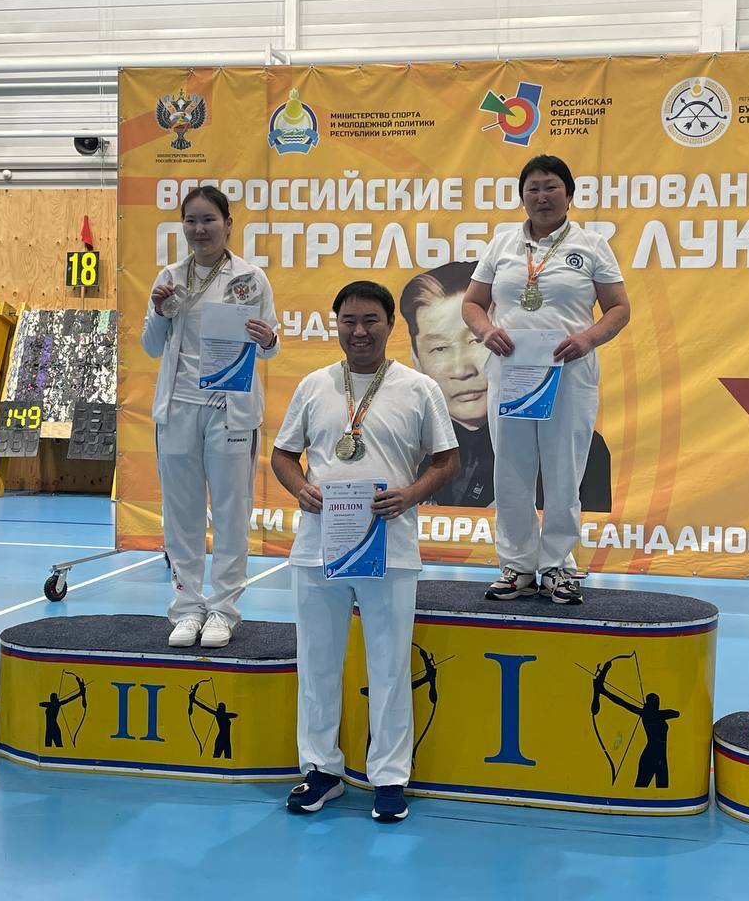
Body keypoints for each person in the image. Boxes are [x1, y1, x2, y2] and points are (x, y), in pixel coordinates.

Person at [272, 281, 459, 824]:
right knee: (317, 662)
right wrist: (300, 488)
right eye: (348, 320)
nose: (359, 331)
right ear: (337, 325)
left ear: (390, 325)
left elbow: (446, 461)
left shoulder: (419, 388)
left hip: (389, 547)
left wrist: (410, 495)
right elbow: (283, 455)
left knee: (389, 666)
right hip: (319, 547)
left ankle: (390, 778)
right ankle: (321, 771)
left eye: (370, 320)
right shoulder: (314, 386)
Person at [462, 154, 630, 604]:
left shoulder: (592, 245)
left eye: (551, 187)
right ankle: (517, 565)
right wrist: (486, 331)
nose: (542, 196)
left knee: (564, 471)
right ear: (522, 197)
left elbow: (619, 308)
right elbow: (472, 303)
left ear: (569, 195)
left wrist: (588, 338)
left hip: (568, 373)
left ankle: (558, 565)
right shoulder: (502, 244)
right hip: (512, 373)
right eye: (532, 188)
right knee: (511, 469)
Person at [142, 185, 280, 649]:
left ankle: (223, 609)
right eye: (191, 221)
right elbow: (151, 346)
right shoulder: (170, 277)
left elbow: (270, 347)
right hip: (178, 409)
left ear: (228, 224)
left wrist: (267, 339)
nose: (199, 229)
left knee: (231, 512)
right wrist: (159, 311)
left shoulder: (251, 278)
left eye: (209, 220)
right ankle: (186, 608)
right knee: (180, 514)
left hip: (230, 410)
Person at [399, 261, 612, 509]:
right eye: (439, 348)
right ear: (416, 359)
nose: (462, 370)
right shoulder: (405, 445)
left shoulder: (575, 446)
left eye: (477, 341)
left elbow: (591, 532)